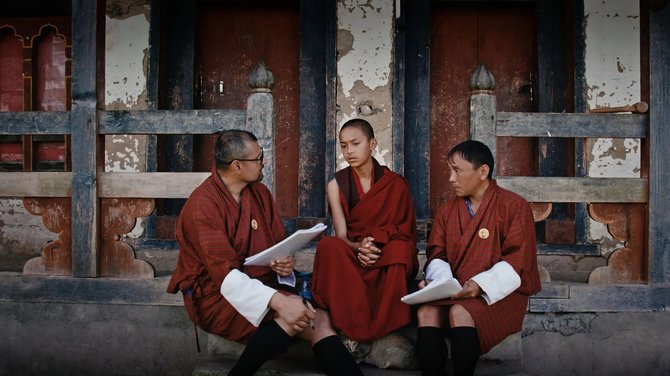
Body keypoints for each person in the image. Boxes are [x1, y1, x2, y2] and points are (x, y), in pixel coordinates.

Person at [167, 130, 363, 376]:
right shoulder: (202, 206)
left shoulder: (259, 193)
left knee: (319, 317)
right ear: (237, 166)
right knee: (294, 316)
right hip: (215, 295)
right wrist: (280, 301)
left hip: (260, 281)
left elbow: (277, 246)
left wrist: (284, 266)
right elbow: (225, 276)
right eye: (259, 157)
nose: (264, 161)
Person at [415, 140, 541, 376]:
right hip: (457, 289)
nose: (451, 178)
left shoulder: (514, 206)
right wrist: (442, 282)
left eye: (457, 171)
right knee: (426, 311)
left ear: (483, 171)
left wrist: (479, 286)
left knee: (460, 312)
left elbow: (519, 260)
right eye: (450, 170)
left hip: (500, 293)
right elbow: (436, 253)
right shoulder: (447, 211)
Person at [311, 118, 419, 344]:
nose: (349, 151)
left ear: (372, 144)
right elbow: (341, 236)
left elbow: (404, 230)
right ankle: (350, 324)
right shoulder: (336, 185)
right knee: (329, 246)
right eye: (343, 145)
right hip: (355, 251)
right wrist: (359, 247)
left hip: (384, 249)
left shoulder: (395, 184)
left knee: (400, 249)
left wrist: (375, 244)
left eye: (355, 143)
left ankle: (386, 325)